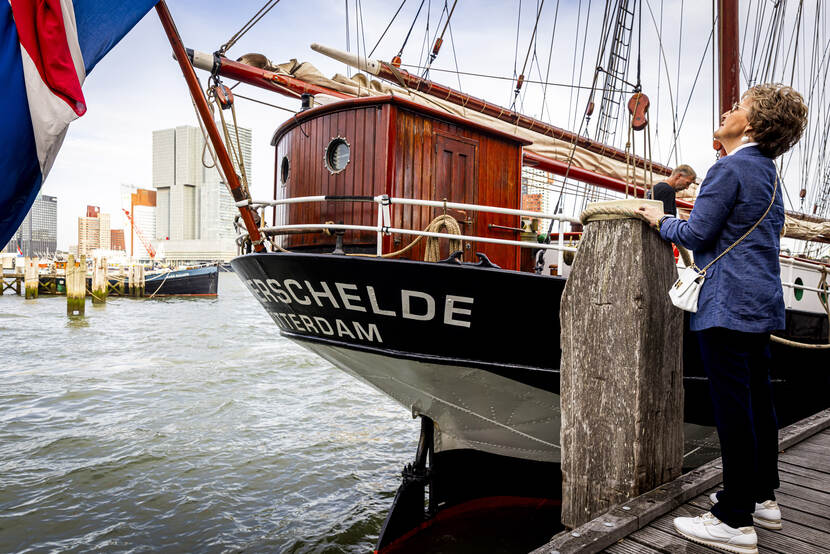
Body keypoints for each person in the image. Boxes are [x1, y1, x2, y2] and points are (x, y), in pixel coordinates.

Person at [638, 83, 808, 554]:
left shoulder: (729, 168)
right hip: (760, 301)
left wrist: (657, 219)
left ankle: (734, 519)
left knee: (733, 410)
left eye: (737, 107)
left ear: (750, 125)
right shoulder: (769, 174)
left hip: (727, 304)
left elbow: (697, 232)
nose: (728, 110)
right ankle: (762, 497)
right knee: (758, 403)